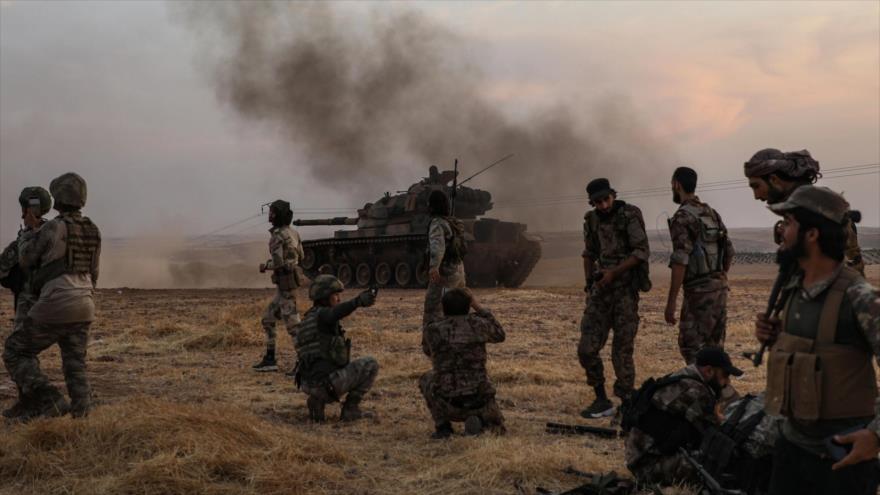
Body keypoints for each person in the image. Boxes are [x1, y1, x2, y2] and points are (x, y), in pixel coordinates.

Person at [755, 186, 880, 495]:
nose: (782, 231)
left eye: (789, 223)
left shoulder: (858, 296)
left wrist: (875, 436)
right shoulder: (794, 288)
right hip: (792, 449)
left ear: (812, 235)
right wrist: (775, 339)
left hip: (841, 457)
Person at [3, 173, 100, 420]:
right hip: (85, 303)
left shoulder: (53, 227)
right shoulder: (92, 229)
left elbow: (26, 260)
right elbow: (94, 272)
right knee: (75, 365)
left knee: (16, 350)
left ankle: (48, 399)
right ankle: (83, 418)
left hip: (56, 303)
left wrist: (28, 233)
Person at [578, 178, 650, 418]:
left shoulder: (629, 215)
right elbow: (589, 253)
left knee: (622, 350)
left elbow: (641, 252)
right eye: (597, 202)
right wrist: (590, 282)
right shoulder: (591, 220)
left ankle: (627, 402)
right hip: (601, 291)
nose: (603, 206)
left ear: (613, 195)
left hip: (625, 290)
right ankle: (601, 399)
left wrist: (614, 273)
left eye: (606, 200)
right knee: (586, 348)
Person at [624, 346, 742, 486]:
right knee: (720, 465)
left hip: (640, 458)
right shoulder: (695, 391)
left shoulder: (681, 378)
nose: (727, 382)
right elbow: (716, 435)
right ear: (709, 370)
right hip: (649, 467)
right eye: (725, 375)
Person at [743, 148, 864, 274]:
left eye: (756, 186)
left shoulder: (820, 207)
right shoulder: (800, 209)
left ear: (774, 180)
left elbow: (848, 267)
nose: (756, 196)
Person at [664, 167, 735, 364]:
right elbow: (729, 251)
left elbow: (680, 261)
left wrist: (671, 303)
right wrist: (717, 279)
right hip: (719, 289)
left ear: (676, 184)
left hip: (698, 292)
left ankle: (702, 392)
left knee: (692, 348)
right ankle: (717, 392)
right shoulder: (711, 213)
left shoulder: (682, 217)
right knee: (715, 350)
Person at [420, 288, 506, 439]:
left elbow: (428, 351)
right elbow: (500, 334)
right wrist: (477, 306)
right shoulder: (478, 325)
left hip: (449, 404)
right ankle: (481, 420)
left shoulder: (434, 329)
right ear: (468, 306)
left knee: (426, 378)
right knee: (484, 378)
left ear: (443, 306)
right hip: (480, 401)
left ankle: (443, 427)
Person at [294, 274, 379, 422]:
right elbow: (336, 312)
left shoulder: (308, 318)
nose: (338, 299)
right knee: (371, 364)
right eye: (335, 295)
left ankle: (317, 400)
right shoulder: (324, 315)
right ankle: (350, 410)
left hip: (308, 384)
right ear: (325, 297)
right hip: (326, 384)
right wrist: (357, 302)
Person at [254, 199, 305, 372]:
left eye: (272, 212)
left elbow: (277, 262)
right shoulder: (294, 233)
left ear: (277, 215)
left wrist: (265, 266)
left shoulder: (277, 236)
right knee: (268, 318)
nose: (269, 215)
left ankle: (304, 363)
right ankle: (270, 359)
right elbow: (302, 256)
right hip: (288, 283)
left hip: (285, 285)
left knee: (293, 326)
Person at [0, 187, 52, 318]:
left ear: (25, 210)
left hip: (28, 313)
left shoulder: (25, 241)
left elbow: (2, 267)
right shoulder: (57, 232)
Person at [422, 190, 466, 330]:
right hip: (458, 269)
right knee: (459, 306)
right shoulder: (455, 222)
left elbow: (437, 246)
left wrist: (434, 266)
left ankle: (432, 341)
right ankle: (461, 333)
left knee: (433, 307)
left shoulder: (437, 223)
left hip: (444, 272)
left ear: (432, 206)